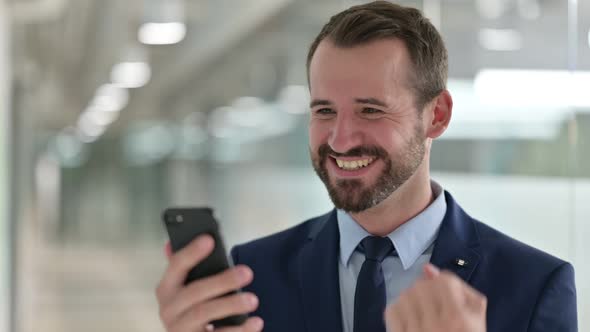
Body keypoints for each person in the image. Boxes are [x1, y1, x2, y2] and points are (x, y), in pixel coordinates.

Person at [155, 1, 578, 331]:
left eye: (371, 110)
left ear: (437, 116)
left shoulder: (534, 285)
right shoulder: (253, 275)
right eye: (324, 110)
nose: (340, 140)